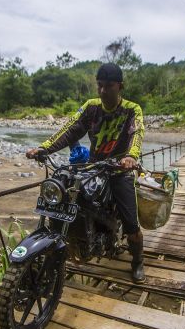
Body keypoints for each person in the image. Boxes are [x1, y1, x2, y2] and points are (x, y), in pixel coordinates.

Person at [26, 62, 146, 283]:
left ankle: (138, 261)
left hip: (119, 169)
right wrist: (44, 148)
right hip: (92, 166)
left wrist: (131, 157)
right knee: (66, 194)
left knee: (131, 221)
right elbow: (70, 129)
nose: (102, 91)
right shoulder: (91, 107)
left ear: (120, 86)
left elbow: (136, 133)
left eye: (108, 86)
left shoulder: (132, 109)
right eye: (99, 85)